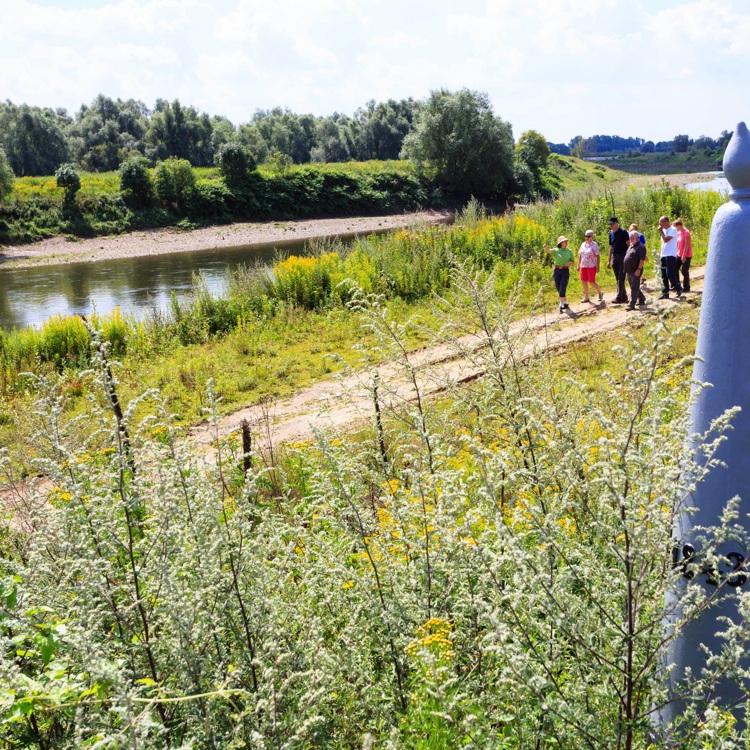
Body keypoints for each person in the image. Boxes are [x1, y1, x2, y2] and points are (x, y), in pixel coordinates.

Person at [543, 235, 574, 312]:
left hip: (565, 271)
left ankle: (561, 303)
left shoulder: (569, 251)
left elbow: (573, 261)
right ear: (561, 243)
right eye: (564, 241)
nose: (566, 242)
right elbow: (549, 251)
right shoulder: (556, 250)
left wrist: (569, 263)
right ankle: (565, 302)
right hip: (557, 270)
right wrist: (546, 247)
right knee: (558, 287)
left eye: (566, 241)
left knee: (562, 287)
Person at [658, 215, 682, 299]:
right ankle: (665, 293)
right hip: (663, 255)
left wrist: (661, 231)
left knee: (669, 274)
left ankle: (678, 288)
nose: (660, 224)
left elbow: (666, 240)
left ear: (666, 222)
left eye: (661, 222)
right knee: (664, 275)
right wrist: (659, 254)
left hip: (670, 255)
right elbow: (663, 244)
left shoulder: (673, 230)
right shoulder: (663, 230)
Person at [607, 217, 630, 303]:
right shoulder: (611, 234)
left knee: (621, 277)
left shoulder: (623, 232)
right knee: (618, 278)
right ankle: (624, 296)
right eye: (610, 225)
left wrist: (629, 257)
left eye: (612, 224)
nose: (611, 226)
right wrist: (608, 260)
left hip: (623, 256)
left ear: (617, 224)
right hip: (614, 256)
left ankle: (619, 297)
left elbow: (628, 245)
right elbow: (611, 247)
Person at [624, 230, 647, 310]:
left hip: (636, 270)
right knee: (633, 286)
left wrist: (639, 269)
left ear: (637, 237)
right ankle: (642, 298)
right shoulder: (631, 245)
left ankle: (631, 304)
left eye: (632, 237)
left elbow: (642, 259)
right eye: (630, 237)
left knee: (634, 288)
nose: (630, 239)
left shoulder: (641, 247)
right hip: (628, 270)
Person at [577, 230, 603, 303]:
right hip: (583, 265)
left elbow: (598, 256)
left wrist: (598, 266)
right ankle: (586, 297)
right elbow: (580, 255)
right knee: (583, 280)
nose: (587, 238)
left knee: (591, 281)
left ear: (592, 237)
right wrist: (578, 265)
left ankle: (600, 292)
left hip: (591, 265)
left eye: (589, 236)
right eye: (586, 236)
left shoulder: (594, 245)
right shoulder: (583, 244)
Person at [674, 218, 693, 292]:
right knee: (675, 269)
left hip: (686, 255)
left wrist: (684, 256)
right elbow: (678, 245)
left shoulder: (686, 232)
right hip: (679, 254)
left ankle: (686, 287)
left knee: (684, 271)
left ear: (679, 225)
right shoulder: (679, 233)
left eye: (675, 227)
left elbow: (686, 245)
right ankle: (677, 285)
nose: (675, 229)